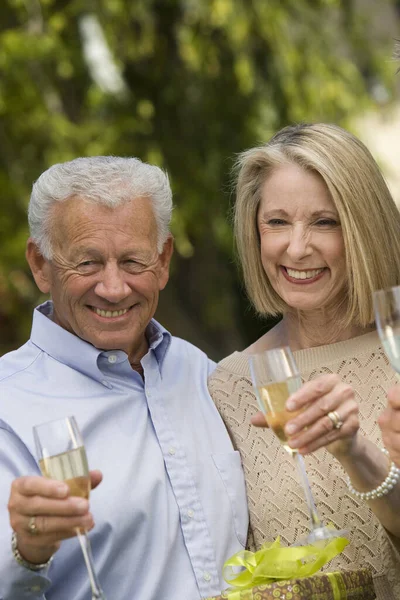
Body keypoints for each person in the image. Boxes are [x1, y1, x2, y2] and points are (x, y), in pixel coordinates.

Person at [0, 156, 248, 600]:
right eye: (88, 264)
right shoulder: (8, 405)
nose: (114, 288)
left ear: (164, 259)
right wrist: (28, 552)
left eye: (134, 261)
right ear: (41, 265)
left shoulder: (202, 374)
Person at [208, 123, 400, 599]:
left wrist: (356, 452)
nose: (296, 248)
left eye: (324, 221)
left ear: (362, 228)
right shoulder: (228, 387)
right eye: (276, 222)